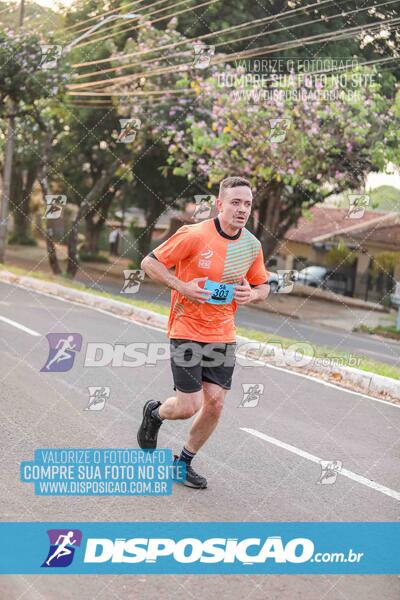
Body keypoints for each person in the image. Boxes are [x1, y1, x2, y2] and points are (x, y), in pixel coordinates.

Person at [137, 176, 270, 488]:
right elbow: (149, 262)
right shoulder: (193, 234)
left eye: (247, 204)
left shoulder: (251, 246)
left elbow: (263, 284)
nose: (242, 209)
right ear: (219, 205)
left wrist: (253, 294)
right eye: (235, 202)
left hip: (222, 333)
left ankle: (182, 462)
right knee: (187, 406)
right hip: (186, 327)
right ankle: (155, 413)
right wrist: (181, 286)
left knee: (216, 404)